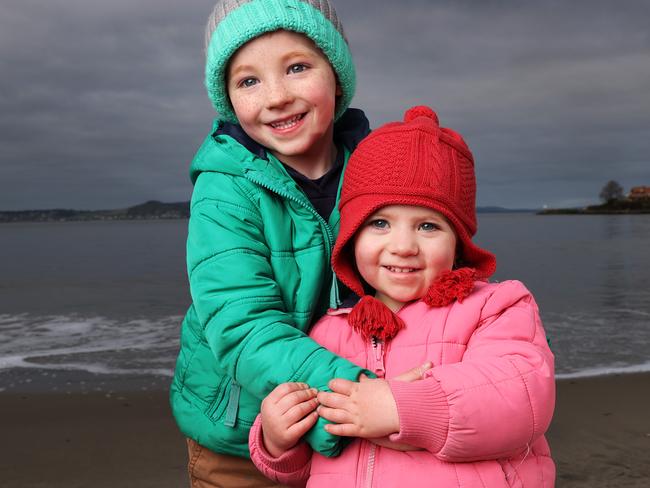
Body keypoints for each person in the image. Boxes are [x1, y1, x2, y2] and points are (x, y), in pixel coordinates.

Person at [249, 106, 556, 487]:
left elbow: (521, 398)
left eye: (428, 226)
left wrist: (401, 408)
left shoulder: (493, 309)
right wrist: (278, 442)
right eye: (380, 223)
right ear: (351, 237)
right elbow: (310, 466)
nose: (403, 246)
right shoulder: (328, 332)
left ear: (457, 242)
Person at [169, 1, 385, 486]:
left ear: (337, 73)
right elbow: (242, 325)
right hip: (245, 432)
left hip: (356, 421)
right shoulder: (224, 190)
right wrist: (359, 393)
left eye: (297, 67)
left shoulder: (376, 170)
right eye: (249, 81)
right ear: (226, 97)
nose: (277, 96)